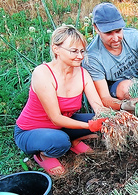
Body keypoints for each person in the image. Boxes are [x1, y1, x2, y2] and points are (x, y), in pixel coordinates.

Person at [14, 25, 108, 176]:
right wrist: (89, 126)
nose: (80, 56)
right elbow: (56, 119)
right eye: (74, 51)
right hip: (31, 131)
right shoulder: (43, 74)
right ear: (56, 49)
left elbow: (99, 107)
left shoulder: (83, 74)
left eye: (82, 51)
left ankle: (73, 141)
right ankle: (43, 155)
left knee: (102, 122)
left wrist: (108, 118)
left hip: (62, 125)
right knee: (60, 141)